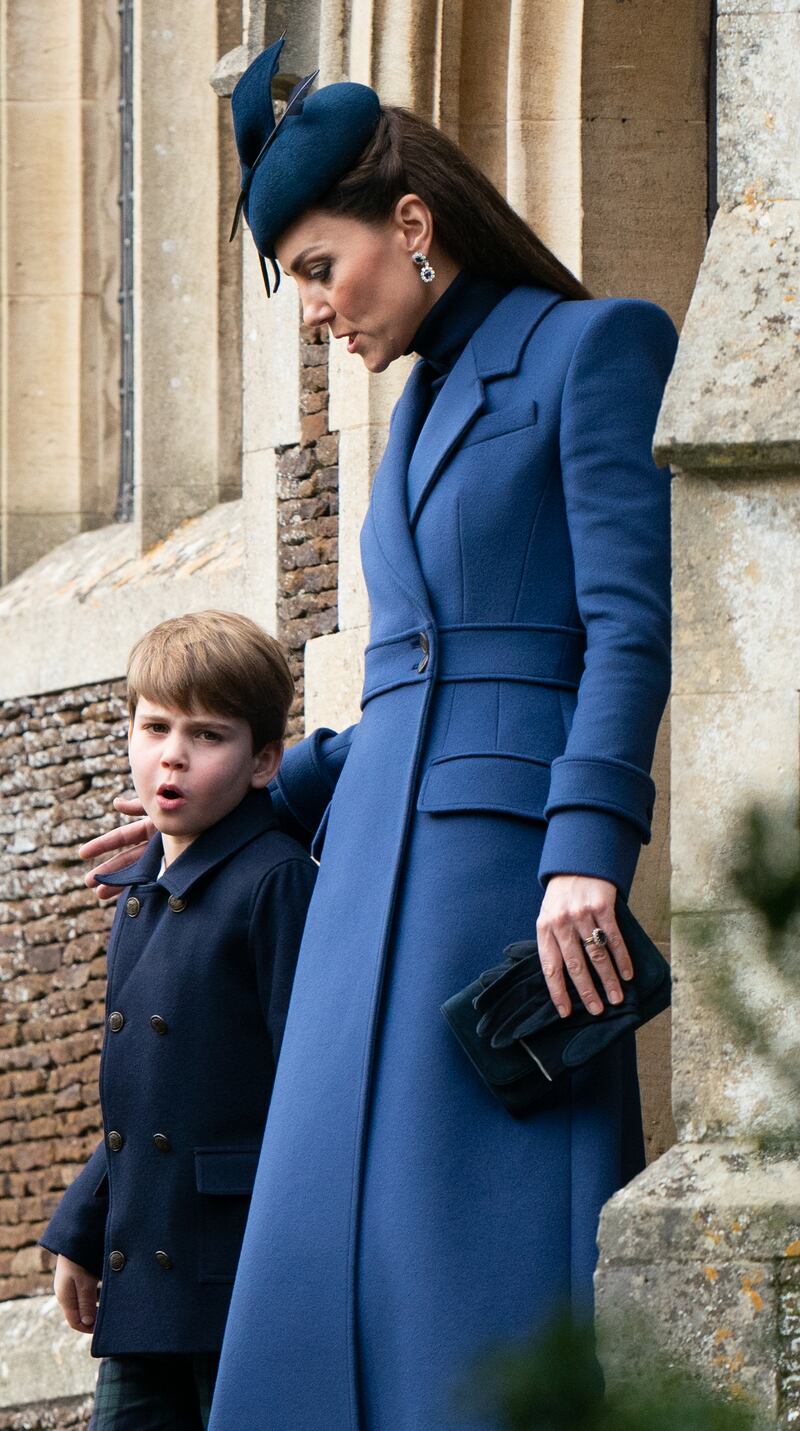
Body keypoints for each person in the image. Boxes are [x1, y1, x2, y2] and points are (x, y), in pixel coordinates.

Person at [82, 38, 678, 1431]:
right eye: (290, 278)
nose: (309, 310)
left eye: (316, 265)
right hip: (364, 895)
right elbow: (412, 684)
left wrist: (586, 846)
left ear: (413, 225)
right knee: (324, 1267)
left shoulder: (594, 349)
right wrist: (258, 797)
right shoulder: (408, 418)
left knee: (470, 1261)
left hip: (503, 892)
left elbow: (628, 629)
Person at [40, 610, 317, 1430]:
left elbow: (308, 1091)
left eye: (208, 734)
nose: (173, 753)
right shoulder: (139, 892)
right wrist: (83, 1227)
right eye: (155, 725)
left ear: (265, 759)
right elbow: (145, 1096)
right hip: (145, 1272)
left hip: (238, 1272)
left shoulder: (276, 883)